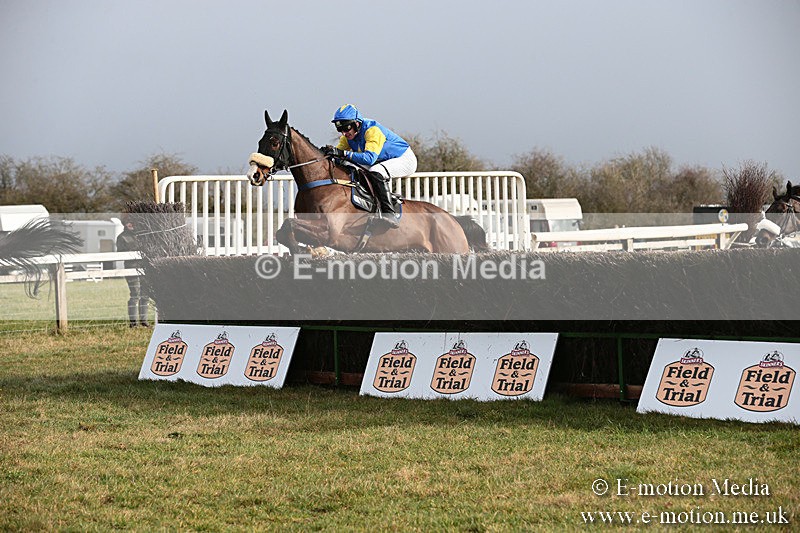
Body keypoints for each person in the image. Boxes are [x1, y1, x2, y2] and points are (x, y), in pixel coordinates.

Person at [321, 104, 417, 227]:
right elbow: (338, 155)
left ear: (357, 123)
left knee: (376, 170)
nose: (344, 133)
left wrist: (342, 153)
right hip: (382, 160)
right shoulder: (348, 136)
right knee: (349, 165)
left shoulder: (372, 130)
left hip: (404, 159)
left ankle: (389, 214)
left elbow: (369, 158)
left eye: (346, 128)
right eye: (340, 130)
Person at [116, 215, 150, 328]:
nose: (130, 224)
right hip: (131, 268)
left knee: (145, 295)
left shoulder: (143, 235)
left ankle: (144, 321)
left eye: (132, 222)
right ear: (124, 224)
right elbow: (121, 253)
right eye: (128, 222)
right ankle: (133, 323)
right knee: (135, 294)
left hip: (145, 268)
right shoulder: (122, 237)